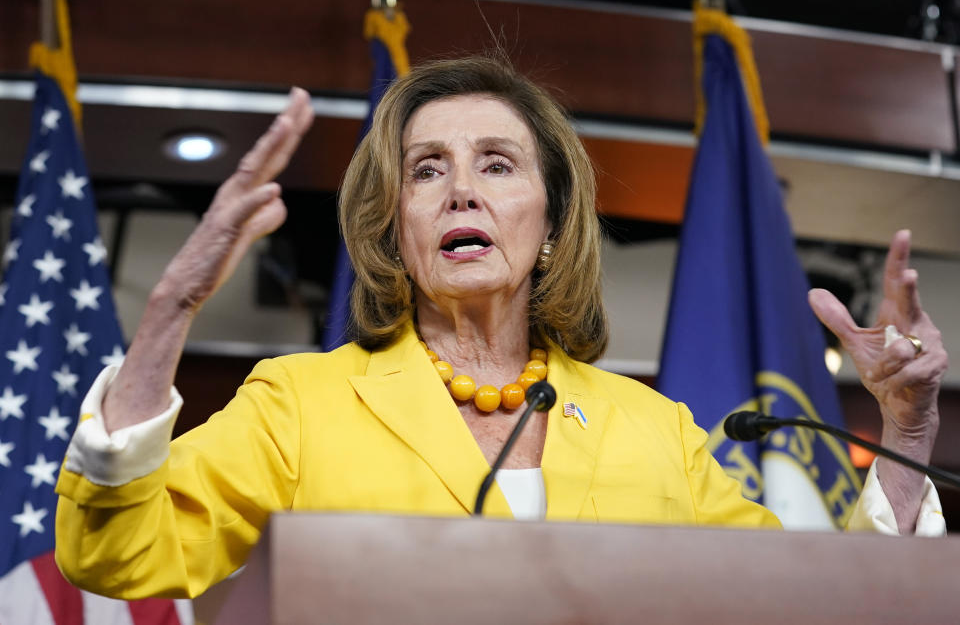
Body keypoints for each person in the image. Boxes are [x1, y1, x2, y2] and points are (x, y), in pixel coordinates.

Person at [55, 57, 947, 600]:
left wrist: (905, 428)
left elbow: (817, 605)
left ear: (552, 220)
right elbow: (117, 557)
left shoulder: (656, 430)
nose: (461, 191)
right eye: (427, 170)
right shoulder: (300, 404)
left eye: (496, 164)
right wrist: (169, 311)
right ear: (396, 227)